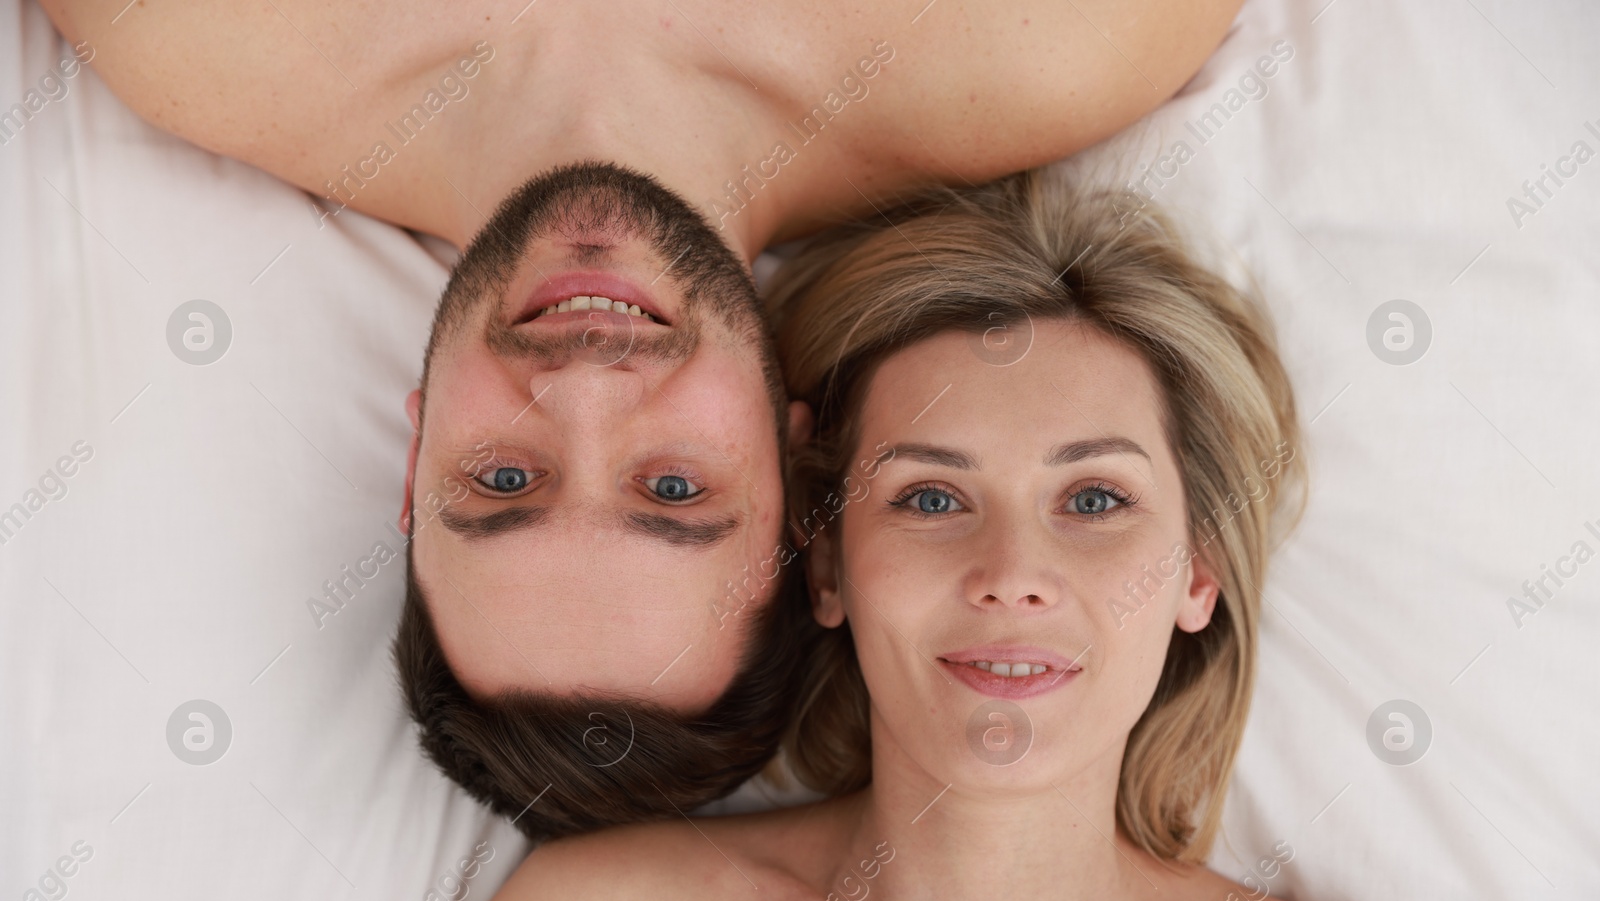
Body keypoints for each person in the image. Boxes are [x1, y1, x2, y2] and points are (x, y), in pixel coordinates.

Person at [39, 0, 1247, 830]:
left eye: (503, 482)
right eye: (674, 489)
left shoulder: (194, 32)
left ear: (415, 462)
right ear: (795, 465)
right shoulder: (1058, 39)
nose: (583, 385)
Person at [385, 171, 1488, 901]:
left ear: (1196, 569)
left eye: (1094, 500)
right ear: (826, 564)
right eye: (929, 498)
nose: (1013, 573)